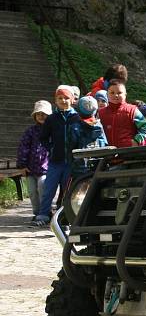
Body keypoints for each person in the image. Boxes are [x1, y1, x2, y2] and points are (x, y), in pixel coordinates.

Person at [34, 86, 79, 226]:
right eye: (60, 98)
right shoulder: (52, 119)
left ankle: (65, 216)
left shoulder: (77, 117)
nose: (63, 100)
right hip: (55, 161)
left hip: (71, 162)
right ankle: (43, 215)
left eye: (66, 98)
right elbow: (43, 138)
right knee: (49, 189)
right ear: (55, 101)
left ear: (72, 100)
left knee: (68, 191)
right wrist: (51, 148)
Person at [16, 100, 52, 222]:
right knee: (31, 191)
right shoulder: (30, 131)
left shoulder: (52, 131)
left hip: (46, 168)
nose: (41, 116)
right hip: (30, 168)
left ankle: (45, 212)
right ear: (35, 116)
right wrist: (22, 165)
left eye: (44, 114)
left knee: (42, 188)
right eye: (39, 114)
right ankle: (36, 213)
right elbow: (23, 148)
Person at [98, 80, 146, 148]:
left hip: (128, 152)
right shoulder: (101, 113)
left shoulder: (132, 110)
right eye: (112, 93)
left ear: (125, 94)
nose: (116, 95)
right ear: (107, 94)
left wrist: (136, 141)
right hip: (107, 153)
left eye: (119, 93)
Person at [69, 96, 108, 177]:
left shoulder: (75, 127)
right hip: (99, 167)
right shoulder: (99, 126)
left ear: (78, 110)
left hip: (80, 168)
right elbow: (105, 143)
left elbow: (71, 147)